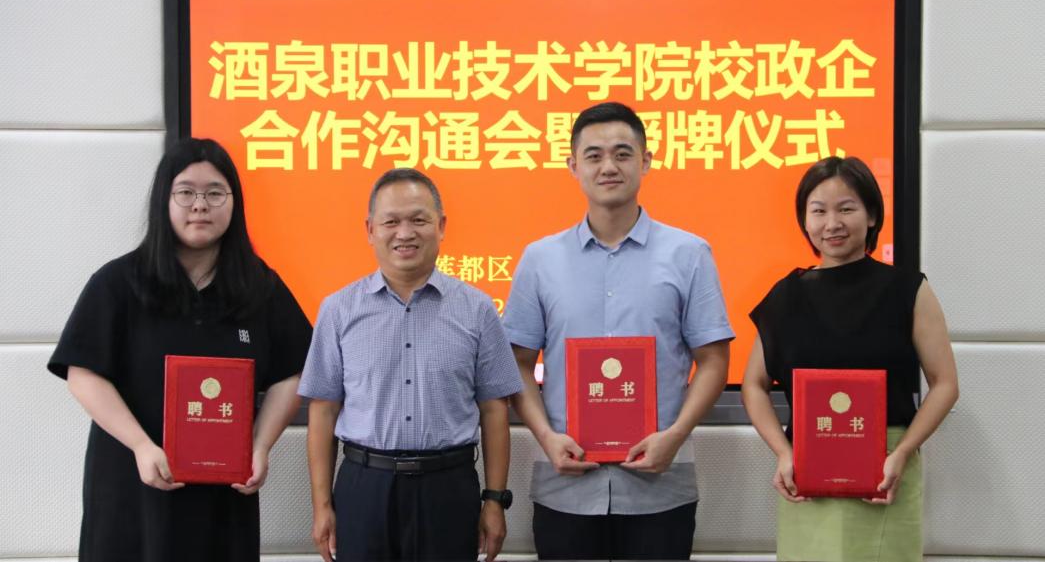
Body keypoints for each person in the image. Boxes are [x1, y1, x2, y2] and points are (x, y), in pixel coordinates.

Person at [47, 137, 313, 562]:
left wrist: (260, 445)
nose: (200, 205)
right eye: (186, 192)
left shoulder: (259, 287)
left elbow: (294, 371)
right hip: (133, 483)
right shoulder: (119, 282)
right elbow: (83, 373)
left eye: (215, 193)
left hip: (224, 493)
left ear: (234, 203)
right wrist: (141, 445)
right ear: (164, 201)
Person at [503, 102, 734, 561]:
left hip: (659, 486)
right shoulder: (540, 259)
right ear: (573, 166)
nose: (608, 166)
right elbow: (518, 365)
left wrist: (675, 435)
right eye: (593, 155)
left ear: (645, 161)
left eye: (622, 154)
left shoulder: (689, 253)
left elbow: (713, 361)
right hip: (565, 487)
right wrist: (547, 438)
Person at [298, 167, 524, 562]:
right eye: (391, 222)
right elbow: (323, 410)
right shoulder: (338, 310)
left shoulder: (477, 309)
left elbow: (494, 410)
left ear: (441, 226)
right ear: (370, 230)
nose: (405, 233)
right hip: (364, 487)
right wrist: (322, 505)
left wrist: (493, 500)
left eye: (418, 220)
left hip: (448, 488)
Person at [741, 155, 959, 562]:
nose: (832, 224)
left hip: (885, 468)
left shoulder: (908, 289)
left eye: (846, 209)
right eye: (818, 211)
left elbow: (945, 384)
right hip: (808, 470)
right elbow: (753, 384)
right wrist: (783, 452)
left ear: (872, 215)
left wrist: (903, 452)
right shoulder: (786, 295)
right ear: (804, 220)